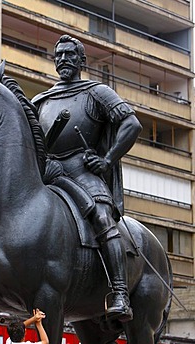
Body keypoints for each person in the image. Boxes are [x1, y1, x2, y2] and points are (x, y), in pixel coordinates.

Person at [33, 34, 142, 323]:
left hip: (82, 170)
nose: (63, 60)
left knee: (104, 219)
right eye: (59, 55)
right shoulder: (41, 100)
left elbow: (131, 124)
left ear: (81, 60)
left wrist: (107, 159)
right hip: (49, 172)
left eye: (70, 55)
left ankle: (119, 291)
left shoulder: (98, 92)